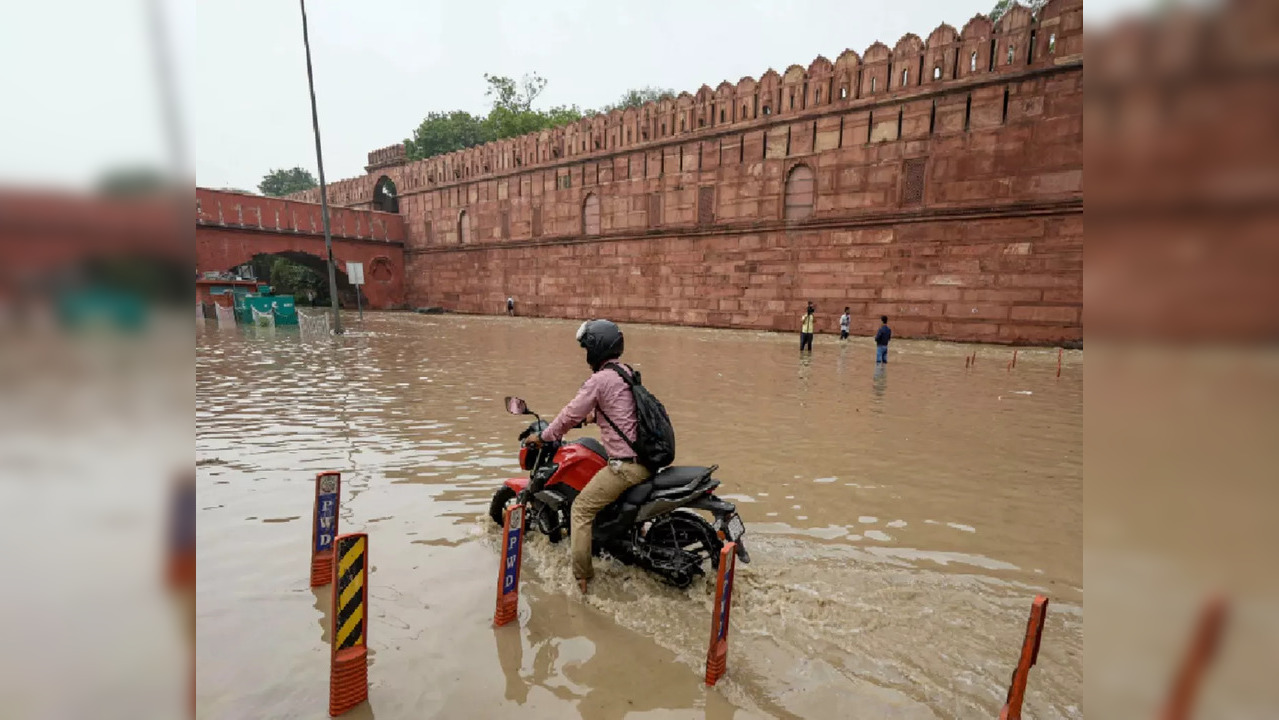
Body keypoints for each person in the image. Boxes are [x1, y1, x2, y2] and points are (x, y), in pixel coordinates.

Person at [523, 319, 649, 594]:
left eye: (586, 349)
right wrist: (593, 417)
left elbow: (569, 413)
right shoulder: (625, 372)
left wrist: (544, 436)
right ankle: (633, 534)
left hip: (626, 467)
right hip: (646, 462)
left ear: (595, 349)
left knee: (580, 510)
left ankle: (582, 580)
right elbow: (621, 411)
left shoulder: (599, 380)